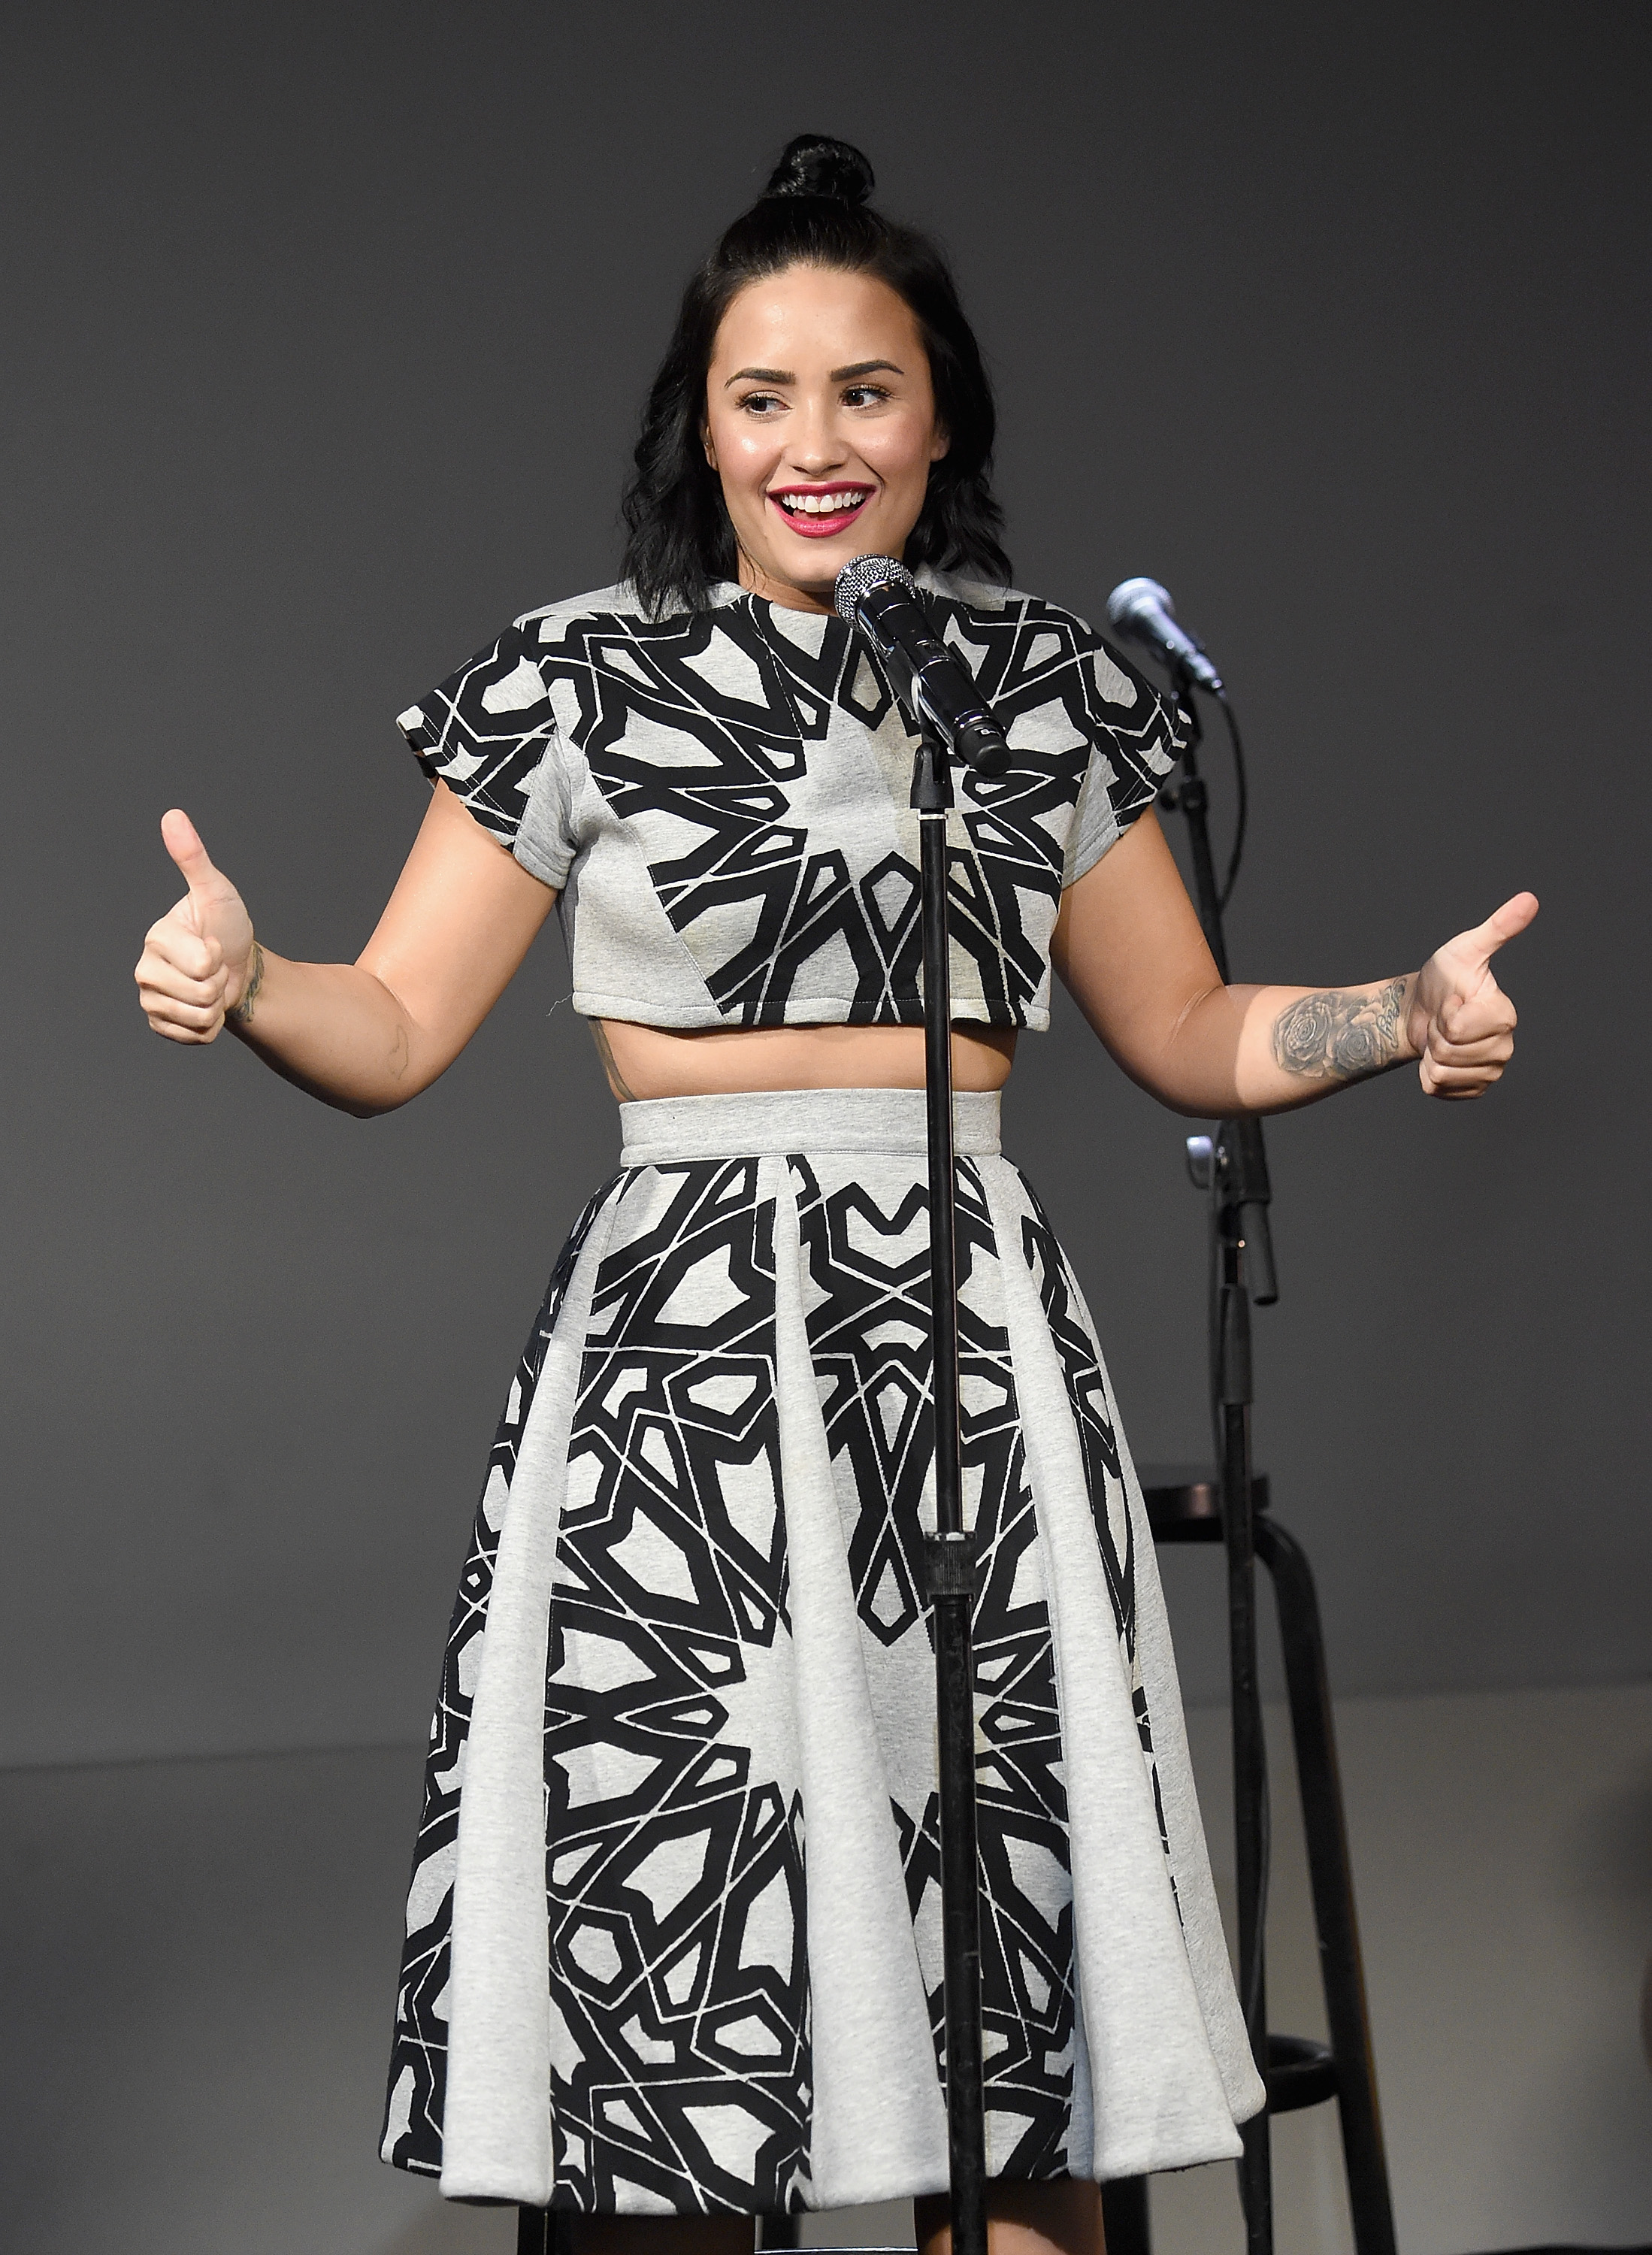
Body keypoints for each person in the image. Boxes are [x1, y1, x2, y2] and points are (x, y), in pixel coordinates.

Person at [133, 136, 1535, 2255]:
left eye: (865, 391)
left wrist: (1396, 1012)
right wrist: (249, 982)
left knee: (1013, 2016)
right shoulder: (577, 676)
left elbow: (1185, 1025)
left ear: (939, 415)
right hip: (685, 1377)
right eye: (762, 396)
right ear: (700, 427)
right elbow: (397, 1024)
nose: (815, 443)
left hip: (966, 1355)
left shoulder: (1039, 683)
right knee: (680, 2006)